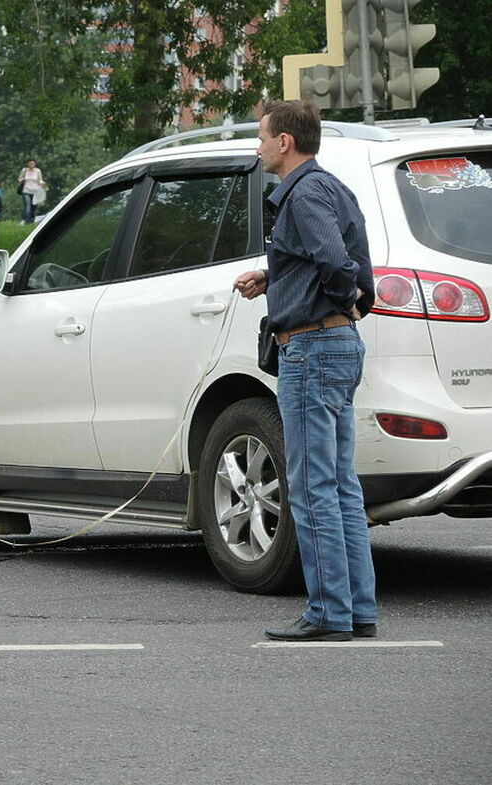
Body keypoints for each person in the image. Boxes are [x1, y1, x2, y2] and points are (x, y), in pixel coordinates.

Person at [234, 100, 376, 642]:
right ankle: (356, 610)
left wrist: (339, 300)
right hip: (333, 343)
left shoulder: (306, 192)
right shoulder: (332, 187)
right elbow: (340, 261)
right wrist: (272, 278)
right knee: (340, 486)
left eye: (263, 136)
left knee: (312, 487)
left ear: (285, 142)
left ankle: (327, 614)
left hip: (313, 349)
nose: (259, 146)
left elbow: (338, 265)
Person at [17, 158, 46, 223]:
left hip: (35, 191)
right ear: (27, 164)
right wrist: (22, 180)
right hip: (26, 191)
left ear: (34, 164)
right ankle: (27, 220)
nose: (31, 165)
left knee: (33, 207)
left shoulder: (38, 171)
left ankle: (32, 220)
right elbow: (19, 179)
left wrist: (43, 184)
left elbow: (40, 180)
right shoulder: (24, 170)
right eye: (30, 164)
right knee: (27, 206)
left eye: (32, 163)